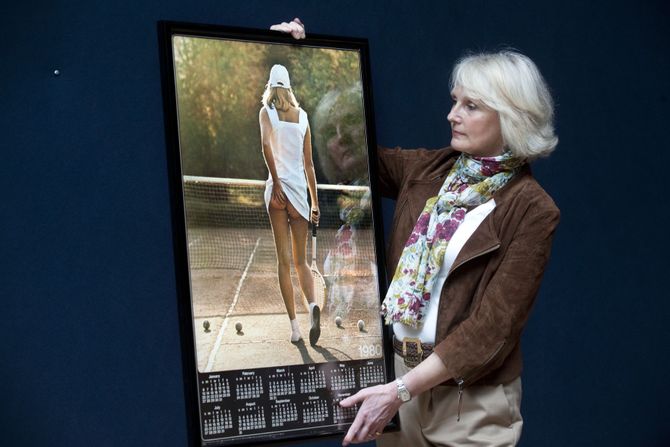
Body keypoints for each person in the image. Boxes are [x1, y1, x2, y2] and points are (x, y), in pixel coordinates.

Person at [272, 20, 560, 447]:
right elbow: (352, 155)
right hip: (397, 385)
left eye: (471, 106)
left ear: (511, 117)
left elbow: (492, 329)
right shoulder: (427, 170)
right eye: (454, 101)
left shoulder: (533, 209)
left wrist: (399, 391)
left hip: (469, 405)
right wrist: (304, 57)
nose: (452, 114)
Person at [259, 63, 321, 345]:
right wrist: (315, 203)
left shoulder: (266, 112)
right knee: (301, 262)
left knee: (283, 262)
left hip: (277, 193)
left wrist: (276, 182)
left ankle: (295, 329)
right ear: (288, 86)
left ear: (271, 87)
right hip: (299, 194)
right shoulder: (304, 117)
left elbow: (265, 146)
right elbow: (309, 165)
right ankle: (312, 307)